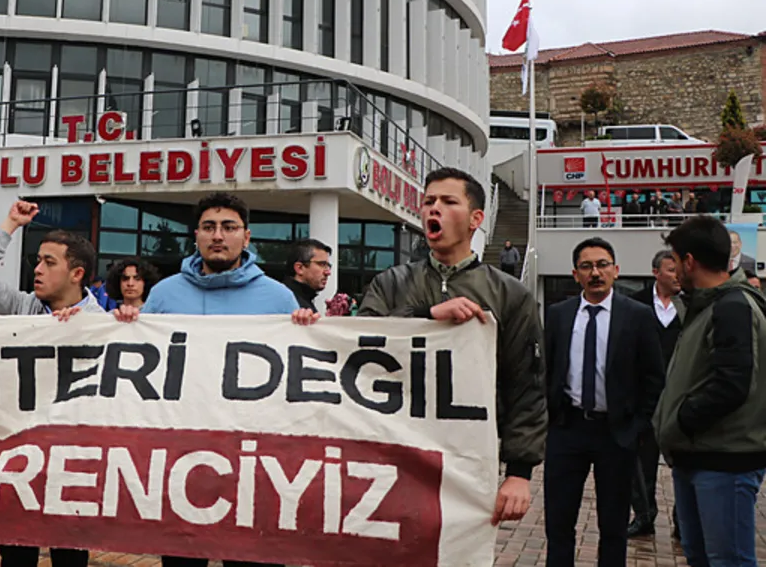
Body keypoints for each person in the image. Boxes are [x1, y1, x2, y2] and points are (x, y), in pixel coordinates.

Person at [113, 192, 314, 567]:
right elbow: (141, 362)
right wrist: (124, 328)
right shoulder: (164, 294)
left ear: (246, 236)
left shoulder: (279, 298)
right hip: (182, 459)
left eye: (228, 227)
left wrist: (308, 331)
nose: (218, 235)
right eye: (209, 227)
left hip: (255, 462)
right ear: (196, 235)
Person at [356, 168, 546, 529]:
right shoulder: (390, 283)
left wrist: (519, 472)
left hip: (468, 459)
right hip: (392, 452)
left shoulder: (510, 295)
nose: (434, 208)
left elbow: (526, 386)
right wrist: (426, 316)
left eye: (448, 201)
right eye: (429, 201)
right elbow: (362, 347)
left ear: (476, 219)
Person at [0, 199, 101, 567]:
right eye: (37, 260)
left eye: (49, 263)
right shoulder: (20, 307)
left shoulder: (102, 323)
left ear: (77, 274)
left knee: (69, 554)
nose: (37, 269)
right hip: (19, 455)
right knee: (15, 553)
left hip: (71, 459)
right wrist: (10, 224)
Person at [543, 238, 663, 566]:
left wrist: (637, 427)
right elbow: (546, 370)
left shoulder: (637, 316)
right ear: (575, 274)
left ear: (616, 270)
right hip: (567, 429)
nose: (595, 273)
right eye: (586, 266)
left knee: (613, 524)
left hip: (616, 433)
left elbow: (654, 377)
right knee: (558, 522)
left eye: (602, 265)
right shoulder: (558, 315)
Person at [655, 215, 766, 567]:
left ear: (689, 261)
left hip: (724, 460)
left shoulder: (732, 306)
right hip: (699, 455)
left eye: (675, 260)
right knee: (701, 557)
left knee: (728, 560)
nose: (674, 270)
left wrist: (679, 421)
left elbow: (732, 384)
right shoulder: (706, 305)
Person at [629, 250, 682, 538]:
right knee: (642, 464)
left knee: (683, 465)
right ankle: (644, 516)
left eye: (678, 270)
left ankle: (683, 522)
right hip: (646, 400)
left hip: (679, 401)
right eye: (671, 270)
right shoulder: (636, 305)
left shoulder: (689, 306)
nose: (677, 275)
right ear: (656, 273)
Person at [284, 238, 332, 312]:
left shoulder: (300, 299)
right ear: (299, 268)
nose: (328, 272)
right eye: (322, 264)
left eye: (328, 266)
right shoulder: (290, 302)